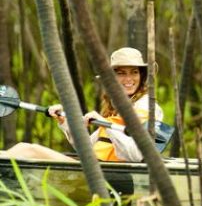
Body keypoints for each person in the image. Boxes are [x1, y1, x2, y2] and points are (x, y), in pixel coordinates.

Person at [0, 47, 163, 163]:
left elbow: (136, 154)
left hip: (114, 177)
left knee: (28, 150)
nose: (129, 79)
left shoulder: (146, 107)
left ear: (141, 76)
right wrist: (65, 123)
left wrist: (105, 124)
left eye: (134, 72)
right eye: (121, 73)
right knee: (23, 149)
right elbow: (86, 147)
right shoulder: (116, 109)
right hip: (96, 169)